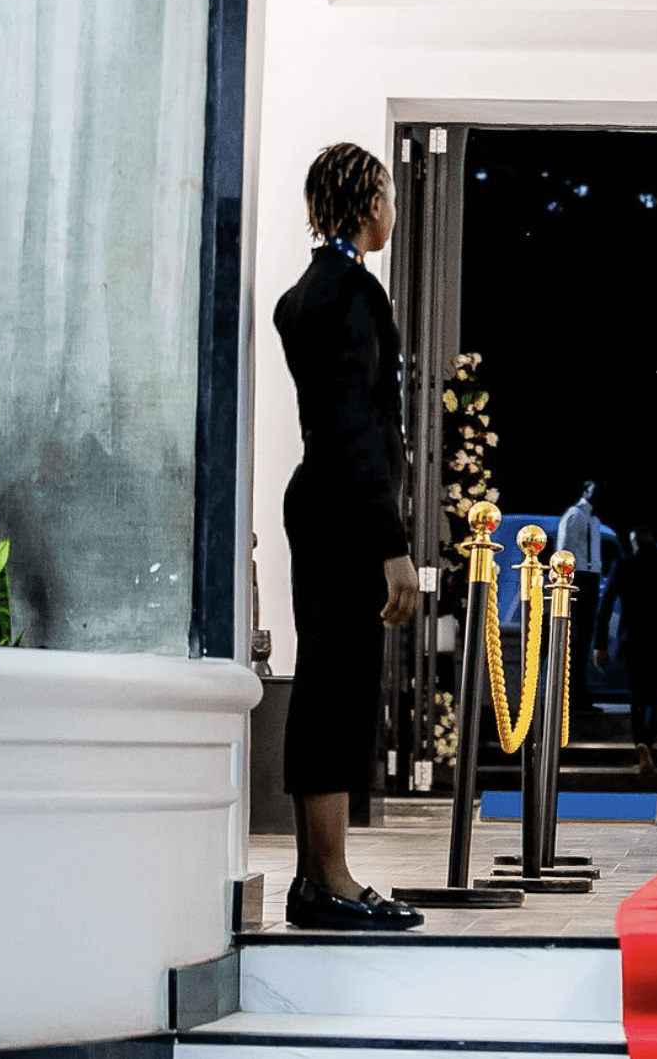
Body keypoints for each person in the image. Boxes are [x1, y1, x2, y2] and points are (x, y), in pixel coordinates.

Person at [273, 142, 423, 931]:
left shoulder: (300, 295)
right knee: (339, 687)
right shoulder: (356, 293)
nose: (393, 210)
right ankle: (330, 878)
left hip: (317, 501)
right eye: (389, 196)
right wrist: (392, 544)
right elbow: (360, 425)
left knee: (320, 681)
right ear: (368, 204)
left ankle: (314, 877)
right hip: (348, 510)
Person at [610, 524, 657, 777]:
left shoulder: (625, 565)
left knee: (637, 699)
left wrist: (600, 645)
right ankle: (647, 742)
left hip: (634, 640)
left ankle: (639, 743)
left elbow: (606, 604)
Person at [554, 480, 603, 730]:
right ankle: (572, 695)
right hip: (579, 577)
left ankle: (579, 694)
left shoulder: (594, 520)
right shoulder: (575, 515)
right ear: (585, 490)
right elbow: (564, 548)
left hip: (591, 577)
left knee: (583, 641)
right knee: (576, 640)